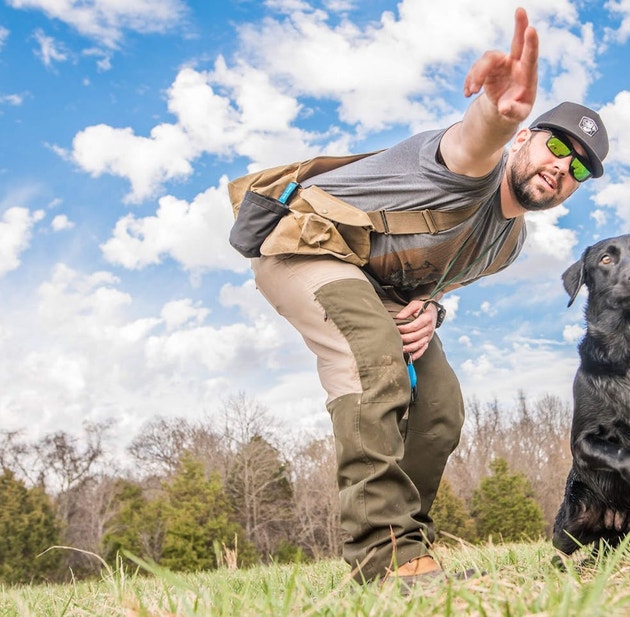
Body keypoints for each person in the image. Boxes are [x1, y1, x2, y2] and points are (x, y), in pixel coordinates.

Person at [250, 7, 608, 583]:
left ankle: (408, 543)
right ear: (524, 139)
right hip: (303, 245)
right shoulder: (466, 169)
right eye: (556, 147)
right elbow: (472, 143)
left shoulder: (508, 244)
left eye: (580, 170)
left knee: (440, 405)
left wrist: (433, 311)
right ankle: (384, 558)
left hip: (376, 283)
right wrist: (495, 113)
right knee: (371, 354)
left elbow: (433, 279)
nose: (562, 168)